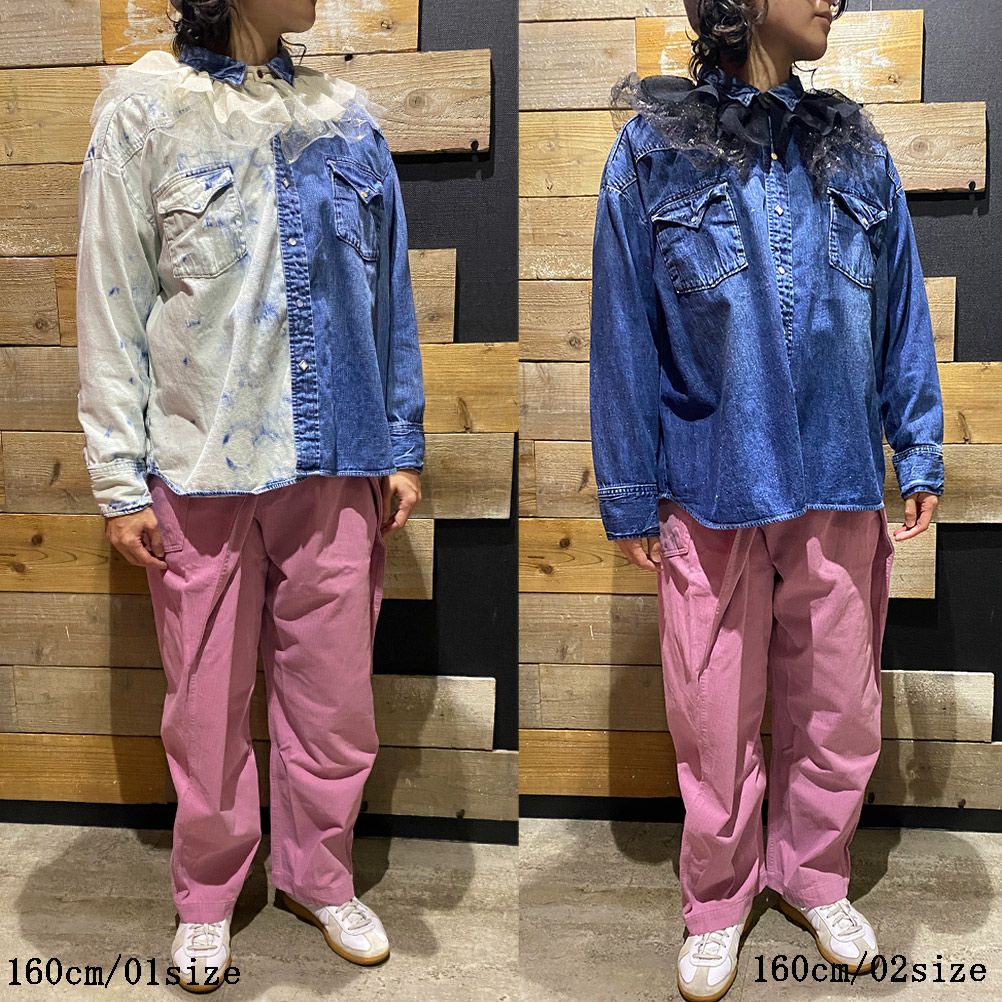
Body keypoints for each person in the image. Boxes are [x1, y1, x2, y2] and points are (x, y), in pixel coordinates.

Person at [588, 0, 944, 999]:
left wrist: (918, 444)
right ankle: (716, 897)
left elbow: (902, 305)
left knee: (839, 701)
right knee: (712, 710)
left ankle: (813, 874)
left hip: (837, 469)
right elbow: (623, 328)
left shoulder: (856, 152)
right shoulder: (654, 151)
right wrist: (629, 488)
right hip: (712, 475)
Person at [75, 0, 424, 991]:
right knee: (203, 706)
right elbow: (112, 297)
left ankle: (320, 874)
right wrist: (117, 477)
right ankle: (206, 895)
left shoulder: (346, 114)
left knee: (336, 699)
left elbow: (388, 293)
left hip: (338, 459)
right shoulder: (145, 108)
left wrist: (401, 441)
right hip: (200, 465)